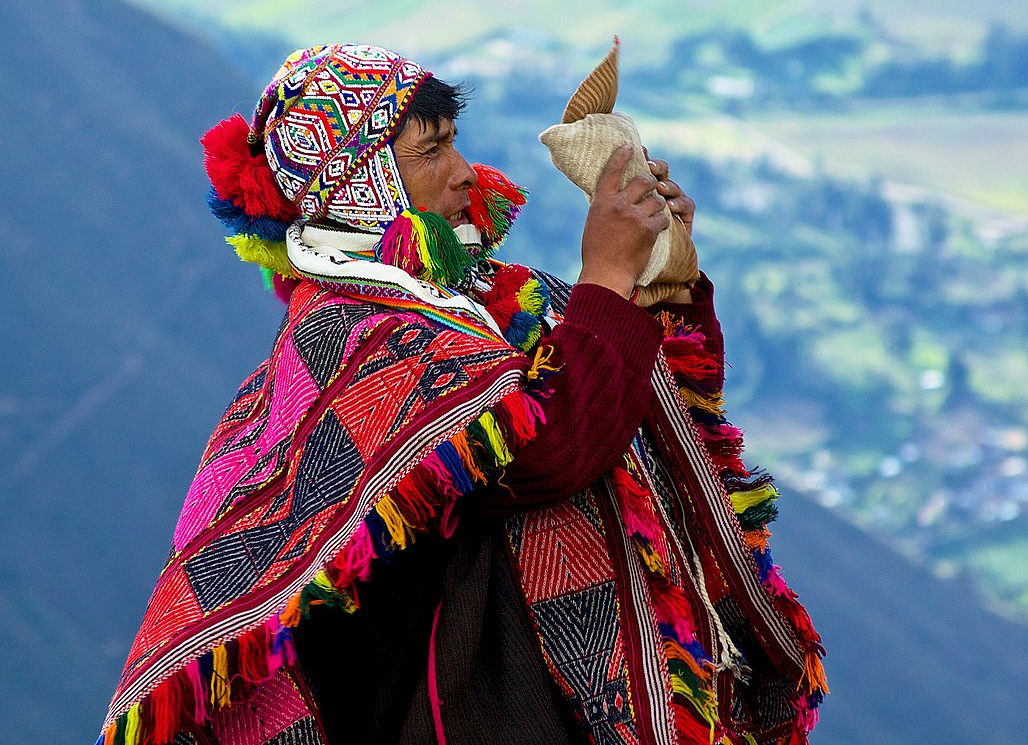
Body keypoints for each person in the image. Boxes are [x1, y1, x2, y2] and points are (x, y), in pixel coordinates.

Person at [99, 43, 826, 745]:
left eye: (454, 141)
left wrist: (653, 282)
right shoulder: (350, 335)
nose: (463, 174)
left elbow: (623, 383)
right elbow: (551, 448)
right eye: (431, 151)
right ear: (362, 182)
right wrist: (605, 278)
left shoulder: (466, 302)